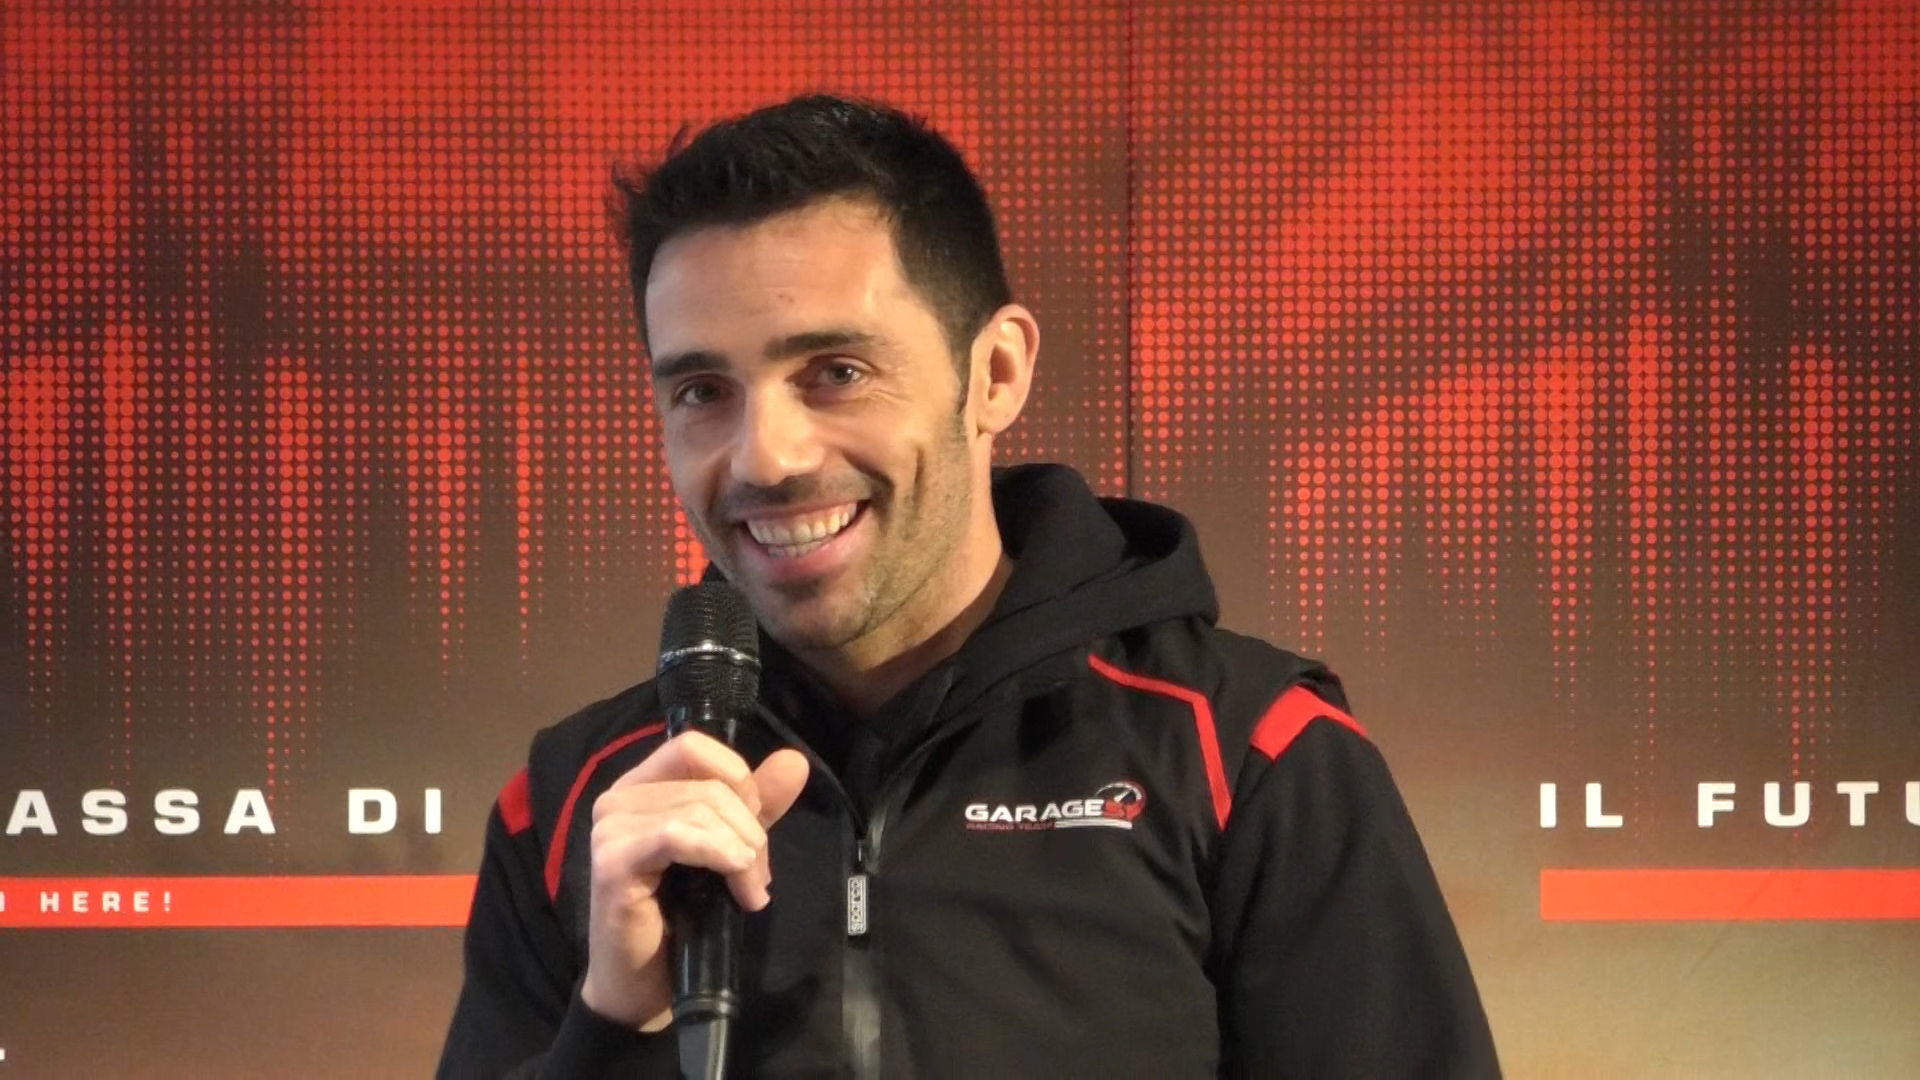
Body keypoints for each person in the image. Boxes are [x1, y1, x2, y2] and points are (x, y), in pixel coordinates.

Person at [438, 94, 1499, 1078]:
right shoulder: (573, 804)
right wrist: (608, 1027)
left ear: (995, 374)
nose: (765, 456)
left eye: (836, 373)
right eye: (703, 391)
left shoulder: (1252, 751)